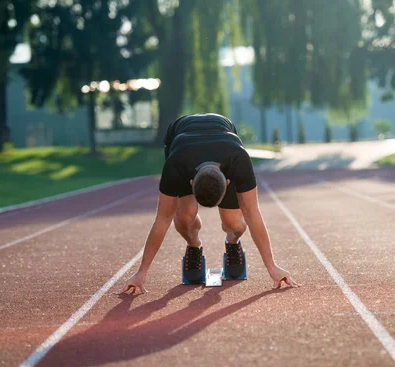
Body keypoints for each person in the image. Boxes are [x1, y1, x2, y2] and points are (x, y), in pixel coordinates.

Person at [117, 113, 300, 294]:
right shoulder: (176, 163)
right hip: (180, 139)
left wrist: (272, 267)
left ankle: (233, 242)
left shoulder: (238, 158)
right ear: (190, 182)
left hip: (222, 132)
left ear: (228, 182)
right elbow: (163, 219)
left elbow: (252, 213)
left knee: (233, 222)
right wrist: (142, 272)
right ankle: (194, 246)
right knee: (183, 216)